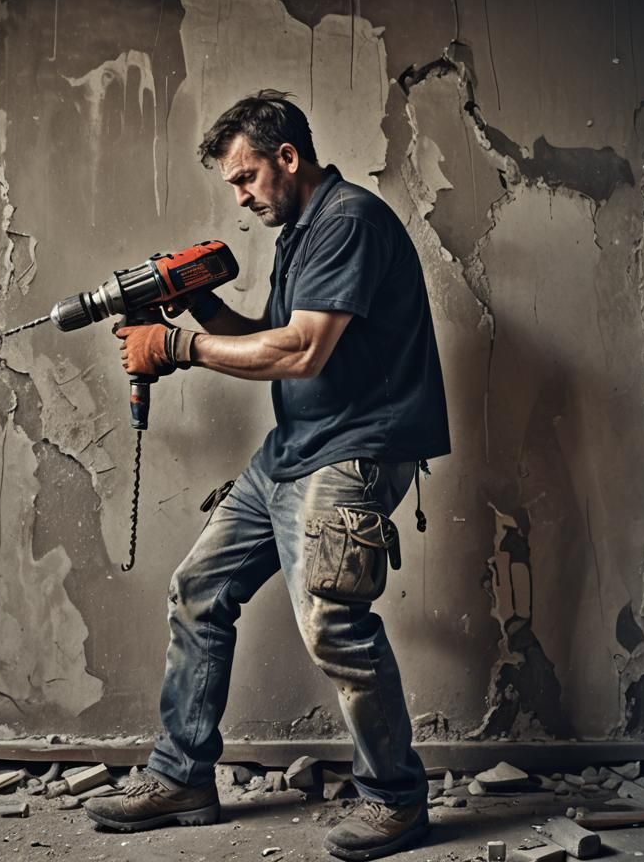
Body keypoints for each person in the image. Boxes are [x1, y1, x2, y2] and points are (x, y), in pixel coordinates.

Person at [85, 90, 451, 862]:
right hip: (293, 449)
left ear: (288, 158)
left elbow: (303, 353)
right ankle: (182, 774)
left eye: (246, 178)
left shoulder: (348, 219)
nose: (242, 197)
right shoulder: (301, 232)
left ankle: (396, 800)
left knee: (333, 625)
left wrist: (176, 348)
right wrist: (203, 308)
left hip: (353, 451)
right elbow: (273, 335)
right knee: (197, 590)